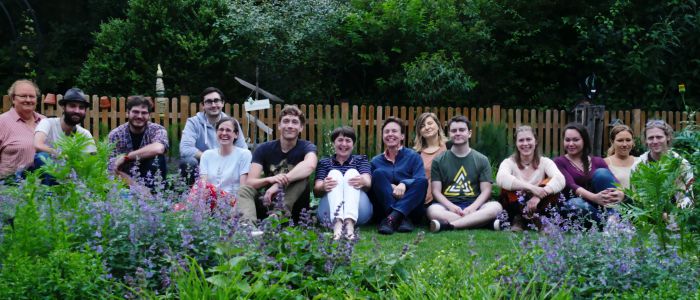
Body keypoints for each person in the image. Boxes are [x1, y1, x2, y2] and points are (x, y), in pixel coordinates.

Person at [237, 105, 317, 223]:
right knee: (244, 189)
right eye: (286, 121)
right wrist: (270, 180)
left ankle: (275, 220)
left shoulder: (307, 147)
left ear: (301, 128)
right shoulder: (263, 149)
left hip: (296, 206)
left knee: (301, 179)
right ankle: (248, 227)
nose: (290, 126)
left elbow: (310, 165)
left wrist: (280, 184)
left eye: (295, 122)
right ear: (279, 125)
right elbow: (251, 182)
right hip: (268, 201)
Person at [428, 115, 503, 232]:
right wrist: (451, 206)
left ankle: (449, 225)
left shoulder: (482, 159)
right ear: (449, 134)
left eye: (462, 130)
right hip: (447, 206)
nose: (457, 133)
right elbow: (436, 191)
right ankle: (482, 222)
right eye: (454, 131)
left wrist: (472, 208)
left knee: (496, 207)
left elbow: (486, 191)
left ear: (469, 133)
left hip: (475, 205)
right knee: (432, 211)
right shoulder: (438, 160)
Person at [496, 125, 565, 231]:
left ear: (535, 141)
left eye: (528, 139)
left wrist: (538, 196)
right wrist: (531, 188)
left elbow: (560, 179)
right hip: (516, 206)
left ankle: (539, 219)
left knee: (551, 183)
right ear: (516, 143)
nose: (525, 144)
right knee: (507, 187)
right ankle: (519, 219)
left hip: (539, 205)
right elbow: (501, 178)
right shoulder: (509, 162)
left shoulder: (545, 162)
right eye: (521, 140)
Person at [554, 123, 624, 225]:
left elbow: (614, 182)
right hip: (577, 207)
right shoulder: (559, 162)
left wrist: (621, 194)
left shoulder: (598, 161)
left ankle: (613, 218)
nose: (571, 144)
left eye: (575, 140)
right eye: (567, 140)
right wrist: (595, 197)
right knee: (575, 203)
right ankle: (610, 224)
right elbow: (572, 186)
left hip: (601, 207)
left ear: (584, 140)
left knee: (602, 173)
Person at [314, 126, 373, 240]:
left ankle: (349, 223)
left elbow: (368, 183)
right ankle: (337, 224)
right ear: (333, 143)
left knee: (351, 173)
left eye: (348, 140)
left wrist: (362, 180)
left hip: (360, 211)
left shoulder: (361, 160)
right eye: (340, 140)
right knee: (334, 174)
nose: (344, 144)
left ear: (353, 144)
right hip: (328, 212)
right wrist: (322, 186)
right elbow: (316, 190)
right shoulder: (324, 162)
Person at [370, 117, 427, 235]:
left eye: (394, 131)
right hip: (384, 208)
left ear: (402, 136)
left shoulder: (414, 156)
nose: (390, 134)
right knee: (378, 174)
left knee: (423, 182)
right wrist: (390, 186)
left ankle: (393, 218)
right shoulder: (375, 161)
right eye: (386, 132)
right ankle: (401, 218)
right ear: (383, 136)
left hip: (411, 208)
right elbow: (375, 187)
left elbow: (419, 180)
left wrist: (404, 183)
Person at [180, 87, 247, 184]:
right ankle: (190, 196)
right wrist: (211, 158)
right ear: (203, 105)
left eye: (216, 101)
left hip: (227, 164)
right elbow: (185, 149)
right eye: (209, 102)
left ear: (222, 103)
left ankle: (237, 195)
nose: (213, 105)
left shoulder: (232, 123)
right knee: (188, 162)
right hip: (202, 166)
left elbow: (243, 150)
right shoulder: (193, 122)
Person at [189, 117, 252, 210]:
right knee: (200, 185)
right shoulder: (207, 155)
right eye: (221, 130)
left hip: (232, 202)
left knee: (201, 185)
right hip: (209, 199)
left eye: (228, 130)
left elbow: (243, 188)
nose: (224, 133)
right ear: (216, 132)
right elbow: (203, 181)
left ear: (236, 134)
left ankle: (188, 214)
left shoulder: (244, 154)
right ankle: (193, 213)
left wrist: (237, 208)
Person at [108, 95, 168, 189]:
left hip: (152, 179)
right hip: (124, 183)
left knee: (158, 158)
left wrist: (126, 158)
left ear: (149, 115)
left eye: (144, 113)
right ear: (128, 113)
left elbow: (159, 148)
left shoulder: (157, 130)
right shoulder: (116, 135)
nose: (139, 116)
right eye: (135, 112)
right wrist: (138, 188)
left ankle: (156, 194)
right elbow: (113, 168)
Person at [635, 119, 694, 208]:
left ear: (668, 137)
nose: (655, 141)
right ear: (646, 141)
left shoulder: (682, 164)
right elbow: (636, 196)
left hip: (678, 215)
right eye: (650, 138)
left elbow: (688, 196)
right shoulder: (639, 166)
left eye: (659, 137)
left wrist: (675, 214)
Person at [0, 79, 46, 179]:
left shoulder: (45, 122)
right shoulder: (2, 122)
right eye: (23, 96)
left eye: (32, 96)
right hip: (11, 188)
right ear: (13, 98)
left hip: (43, 188)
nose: (28, 100)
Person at [413, 112, 447, 204]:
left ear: (438, 125)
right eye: (422, 126)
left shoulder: (450, 147)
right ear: (419, 131)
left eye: (430, 123)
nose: (427, 127)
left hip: (449, 196)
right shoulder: (416, 154)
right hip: (425, 201)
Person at [603, 124, 639, 189]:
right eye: (620, 140)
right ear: (612, 142)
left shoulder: (640, 161)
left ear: (632, 141)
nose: (625, 144)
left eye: (628, 140)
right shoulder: (605, 163)